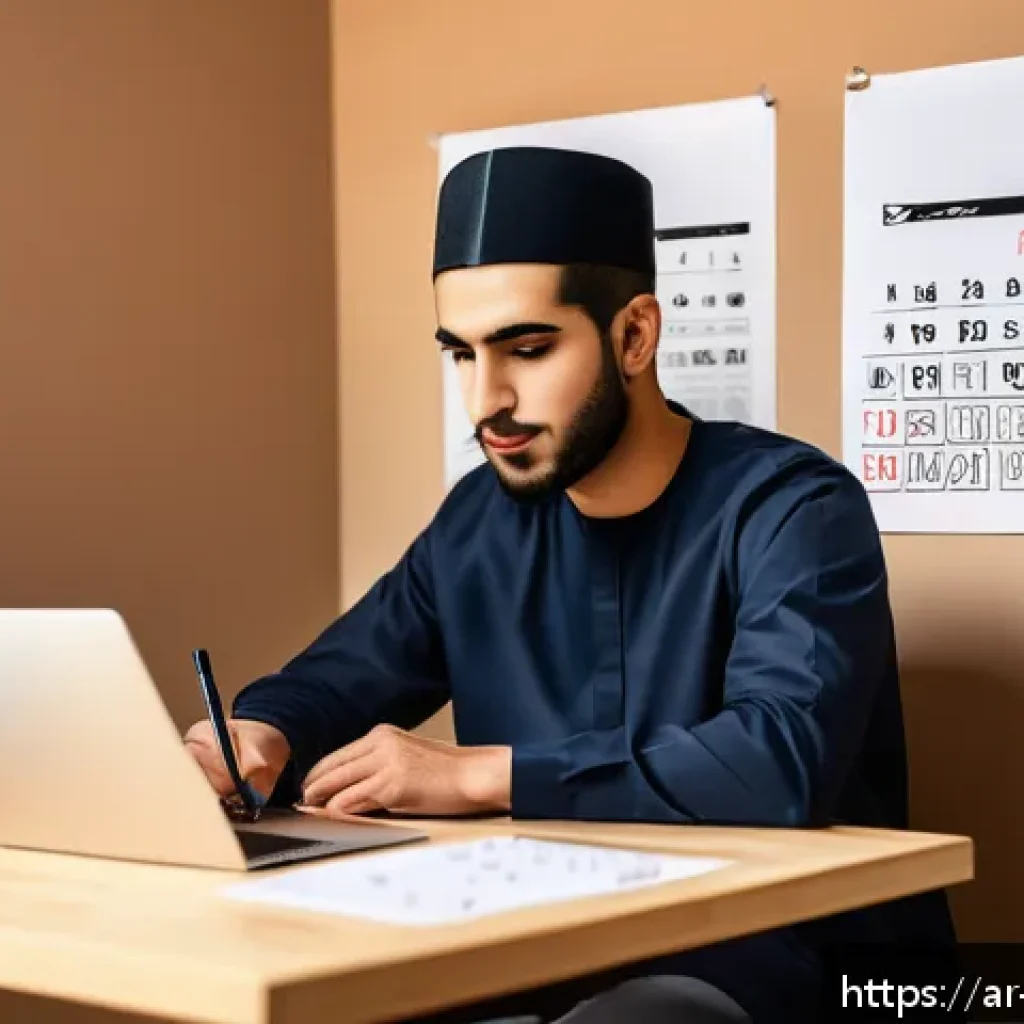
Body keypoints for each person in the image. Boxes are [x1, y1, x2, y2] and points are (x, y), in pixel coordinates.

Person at [185, 146, 955, 1023]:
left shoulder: (794, 508)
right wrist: (257, 732)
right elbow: (341, 674)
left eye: (527, 348)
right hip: (544, 943)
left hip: (782, 963)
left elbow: (777, 762)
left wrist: (483, 776)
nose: (486, 399)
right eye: (461, 354)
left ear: (635, 334)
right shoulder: (479, 519)